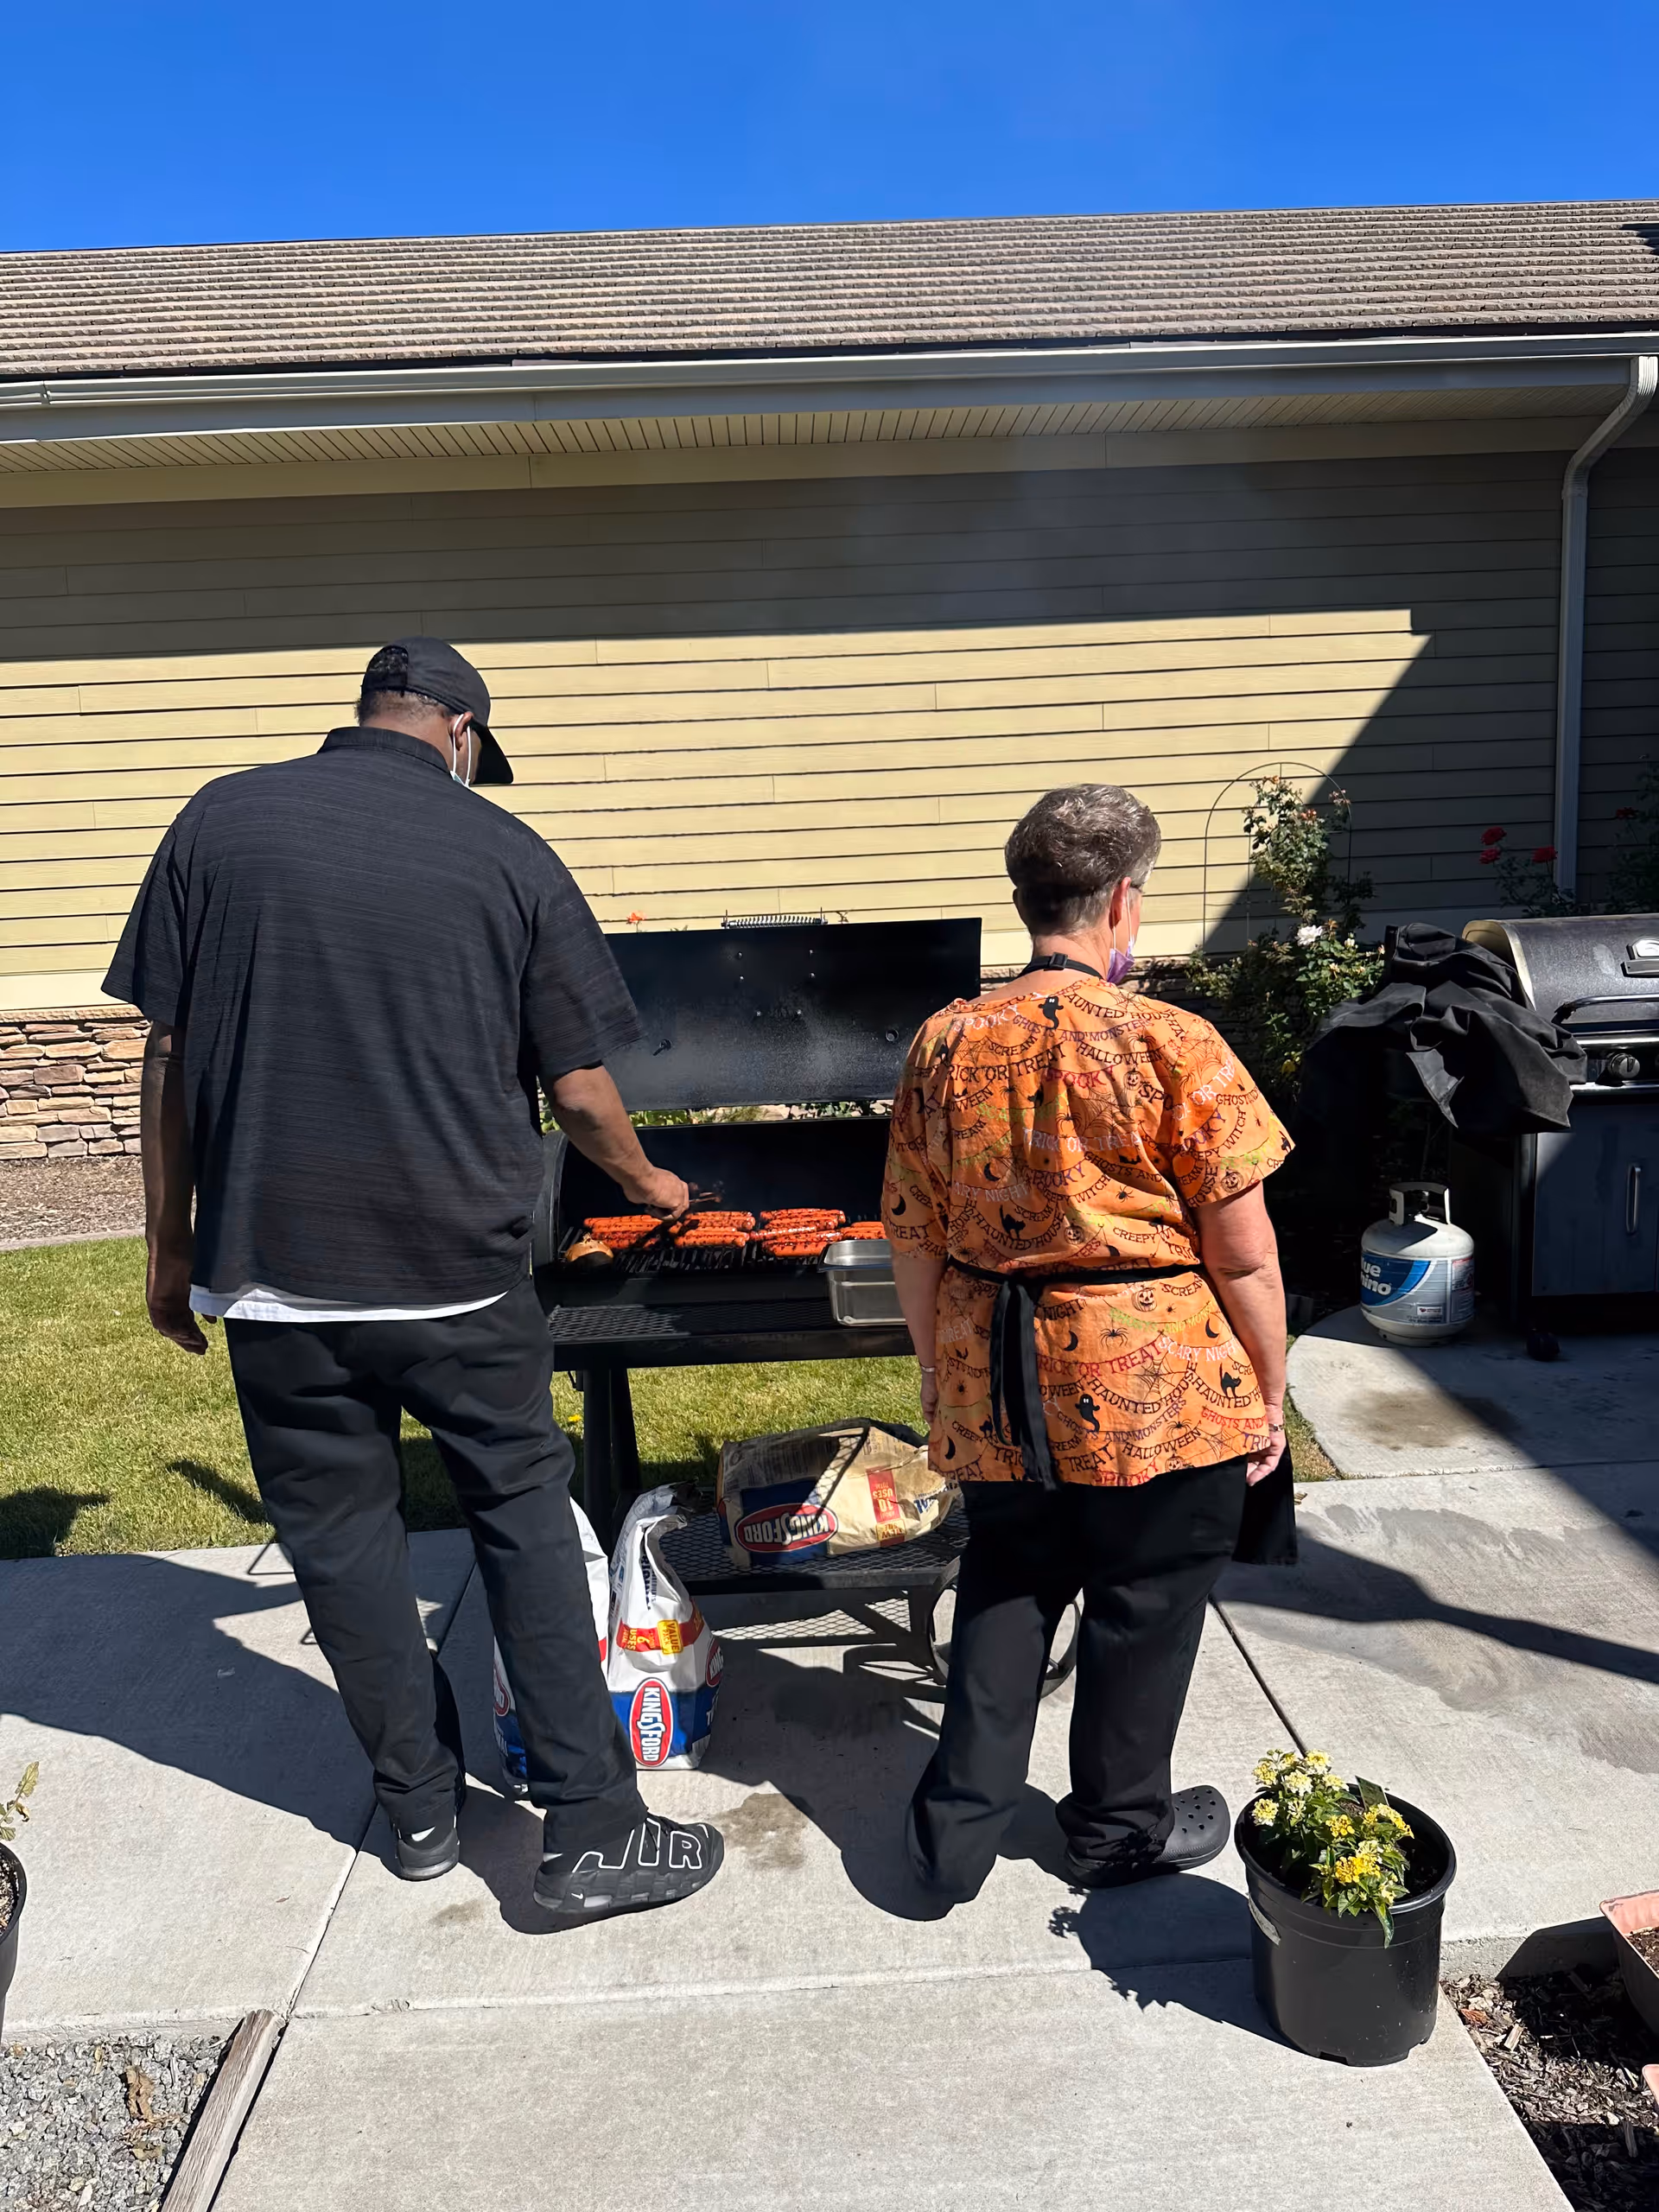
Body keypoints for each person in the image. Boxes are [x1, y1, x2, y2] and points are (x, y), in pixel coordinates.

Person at [106, 636, 724, 1925]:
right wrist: (655, 1188)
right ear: (458, 731)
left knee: (343, 1550)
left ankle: (423, 1813)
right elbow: (581, 1089)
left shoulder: (218, 820)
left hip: (273, 1278)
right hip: (456, 1278)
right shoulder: (502, 849)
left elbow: (164, 1057)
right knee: (521, 1528)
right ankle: (592, 1830)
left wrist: (170, 1254)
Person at [882, 783, 1294, 1904]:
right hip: (1158, 1387)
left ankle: (951, 1840)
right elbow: (1246, 1257)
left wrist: (938, 1375)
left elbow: (912, 1242)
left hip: (997, 1382)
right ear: (1122, 902)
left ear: (1028, 903)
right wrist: (1269, 1390)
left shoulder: (944, 1044)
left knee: (1010, 1580)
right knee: (1145, 1599)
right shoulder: (1175, 1043)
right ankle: (1116, 1831)